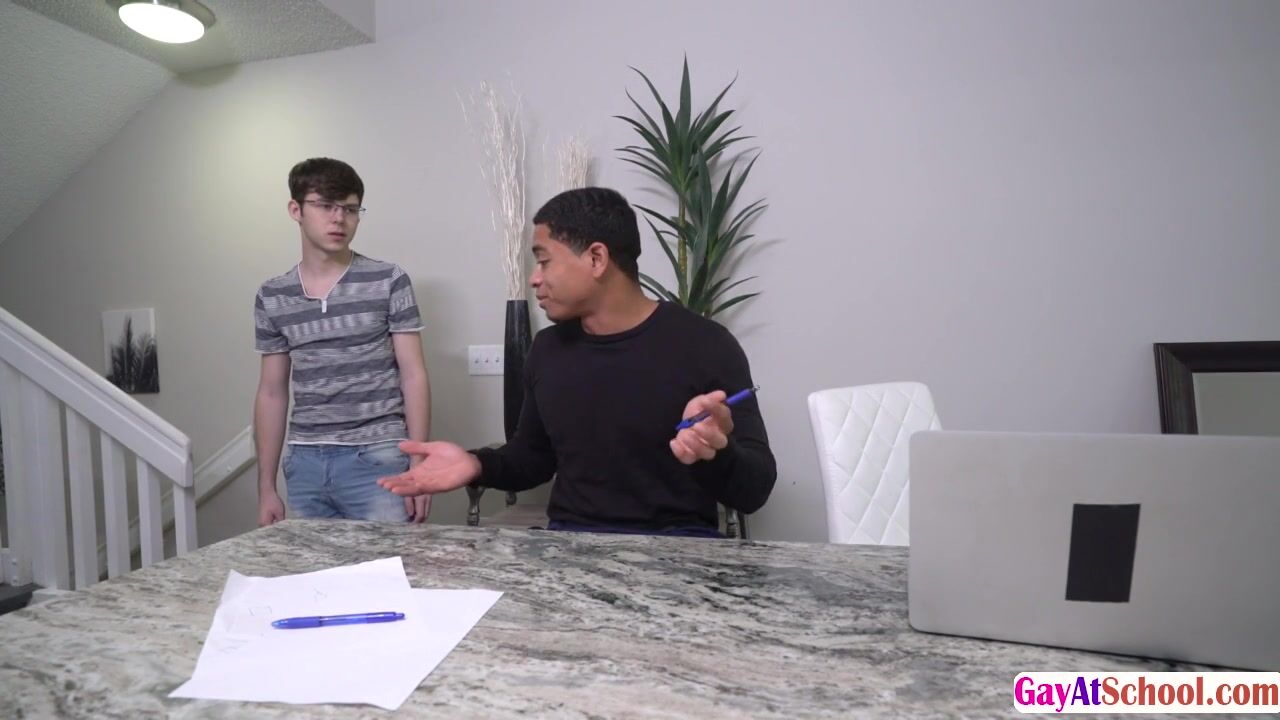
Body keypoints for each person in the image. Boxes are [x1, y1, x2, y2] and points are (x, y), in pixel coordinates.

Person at [380, 187, 774, 536]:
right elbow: (532, 460)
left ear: (597, 258)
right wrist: (475, 464)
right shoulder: (548, 349)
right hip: (571, 543)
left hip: (679, 546)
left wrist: (716, 450)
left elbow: (755, 490)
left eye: (544, 261)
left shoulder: (705, 344)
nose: (534, 279)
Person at [253, 157, 431, 526]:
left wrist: (419, 465)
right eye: (326, 206)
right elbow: (271, 392)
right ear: (296, 210)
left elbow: (413, 375)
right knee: (312, 566)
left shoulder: (388, 279)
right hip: (305, 463)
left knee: (388, 564)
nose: (339, 219)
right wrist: (266, 487)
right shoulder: (273, 295)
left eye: (350, 209)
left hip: (378, 458)